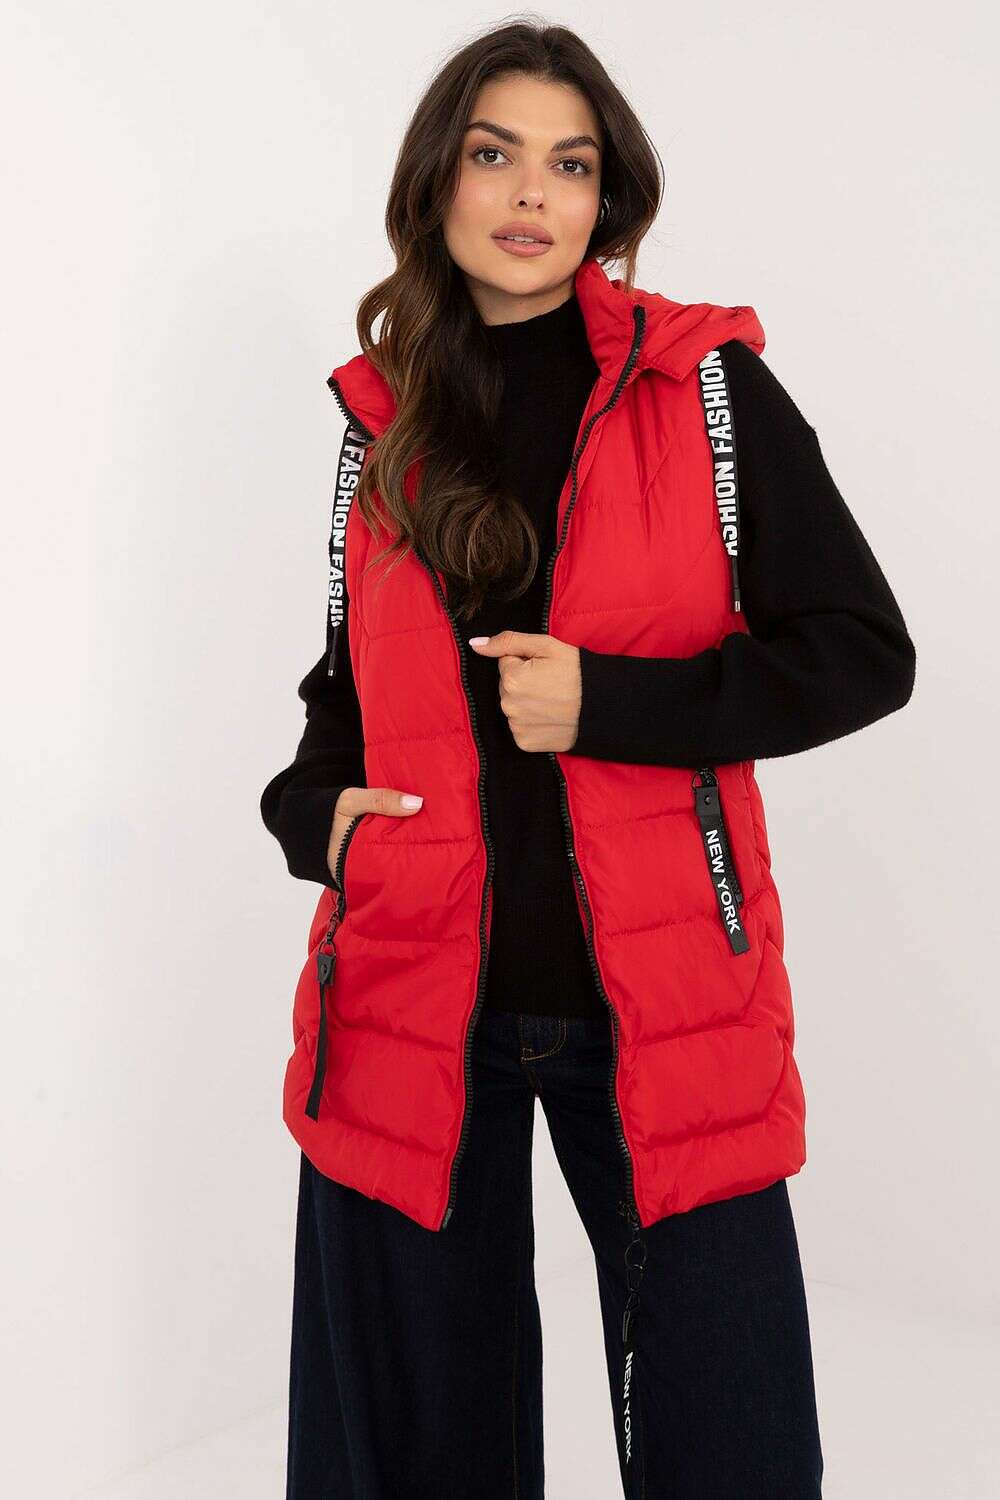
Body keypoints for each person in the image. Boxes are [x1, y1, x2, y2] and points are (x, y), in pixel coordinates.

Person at [259, 21, 915, 1500]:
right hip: (415, 997)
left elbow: (863, 649)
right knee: (412, 1458)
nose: (529, 195)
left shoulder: (704, 390)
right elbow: (342, 694)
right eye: (493, 154)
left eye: (569, 164)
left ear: (608, 196)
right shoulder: (384, 423)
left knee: (730, 1447)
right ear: (437, 181)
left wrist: (609, 704)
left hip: (665, 1008)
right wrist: (317, 821)